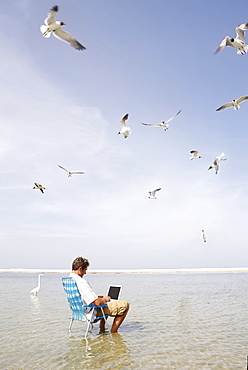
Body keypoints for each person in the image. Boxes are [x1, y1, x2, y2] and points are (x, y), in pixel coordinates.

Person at [69, 256, 130, 334]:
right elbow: (98, 303)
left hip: (78, 312)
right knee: (125, 305)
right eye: (85, 270)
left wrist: (101, 298)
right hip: (91, 313)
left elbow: (83, 297)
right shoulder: (81, 282)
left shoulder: (69, 280)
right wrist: (105, 299)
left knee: (105, 302)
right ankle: (114, 332)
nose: (85, 273)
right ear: (80, 268)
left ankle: (102, 328)